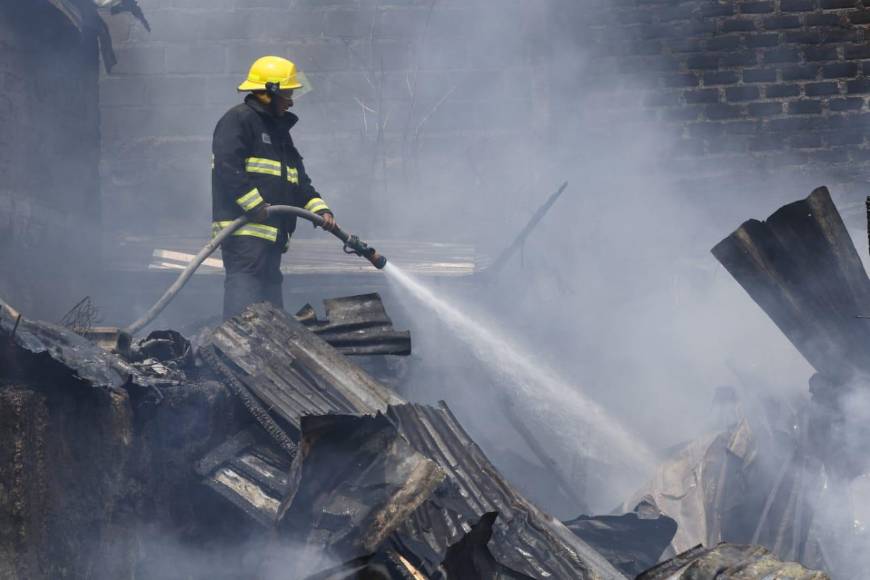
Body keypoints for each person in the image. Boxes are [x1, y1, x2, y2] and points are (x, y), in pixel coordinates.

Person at [211, 56, 336, 319]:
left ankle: (268, 357)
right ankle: (232, 355)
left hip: (271, 239)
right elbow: (227, 167)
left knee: (271, 315)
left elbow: (298, 181)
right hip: (244, 235)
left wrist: (320, 210)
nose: (291, 100)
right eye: (287, 93)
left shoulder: (279, 134)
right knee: (243, 311)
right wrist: (253, 205)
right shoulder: (239, 120)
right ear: (269, 92)